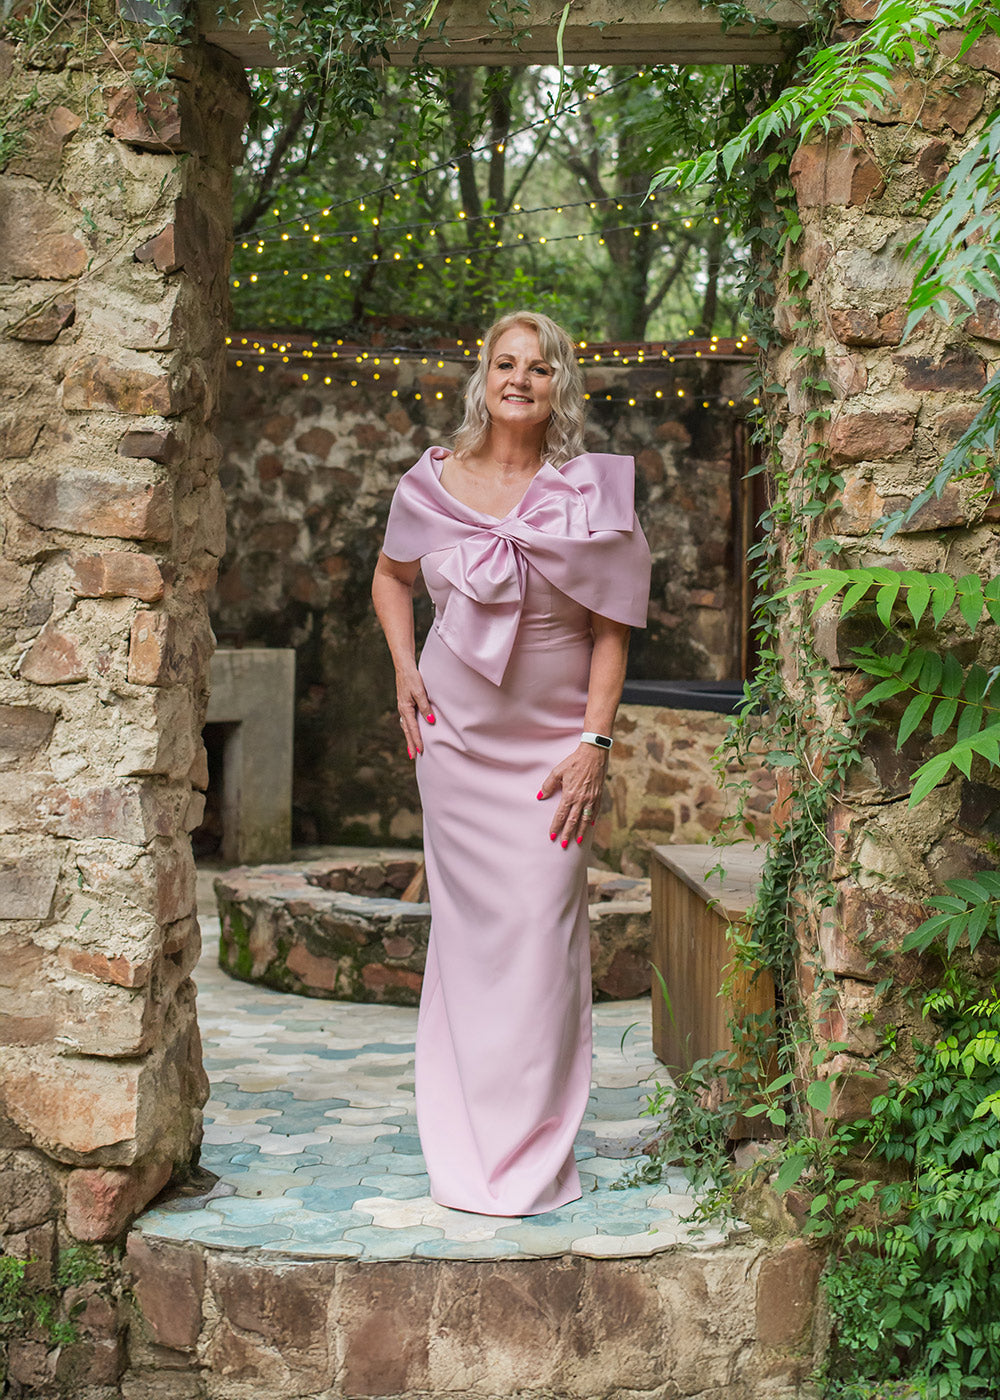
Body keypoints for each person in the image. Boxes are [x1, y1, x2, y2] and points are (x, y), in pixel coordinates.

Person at [371, 311, 651, 1216]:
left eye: (539, 367)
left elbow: (613, 631)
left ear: (559, 385)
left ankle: (532, 1158)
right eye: (505, 363)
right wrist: (407, 668)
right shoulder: (434, 480)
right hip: (453, 747)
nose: (520, 379)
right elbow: (391, 576)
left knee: (540, 942)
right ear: (483, 377)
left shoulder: (588, 494)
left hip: (550, 755)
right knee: (469, 948)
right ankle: (462, 1150)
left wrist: (594, 745)